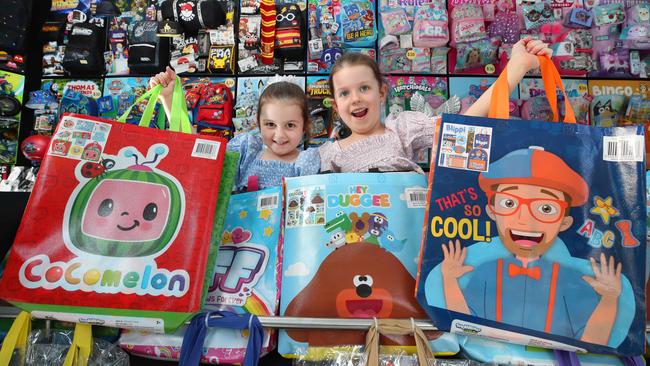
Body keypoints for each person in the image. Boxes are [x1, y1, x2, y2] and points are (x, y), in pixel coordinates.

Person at [428, 146, 629, 346]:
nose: (524, 219)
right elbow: (465, 325)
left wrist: (609, 301)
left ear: (564, 223)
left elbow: (592, 341)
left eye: (545, 208)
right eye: (509, 204)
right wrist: (450, 281)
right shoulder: (486, 273)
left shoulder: (571, 281)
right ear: (492, 211)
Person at [319, 37, 554, 173]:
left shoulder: (401, 128)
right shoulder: (327, 154)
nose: (356, 98)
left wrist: (516, 69)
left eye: (364, 88)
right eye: (344, 93)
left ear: (381, 93)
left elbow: (463, 125)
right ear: (336, 106)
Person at [150, 69, 319, 191]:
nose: (279, 135)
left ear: (304, 126)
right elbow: (197, 148)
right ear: (258, 123)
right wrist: (169, 99)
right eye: (270, 124)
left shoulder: (306, 162)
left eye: (290, 125)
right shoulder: (246, 150)